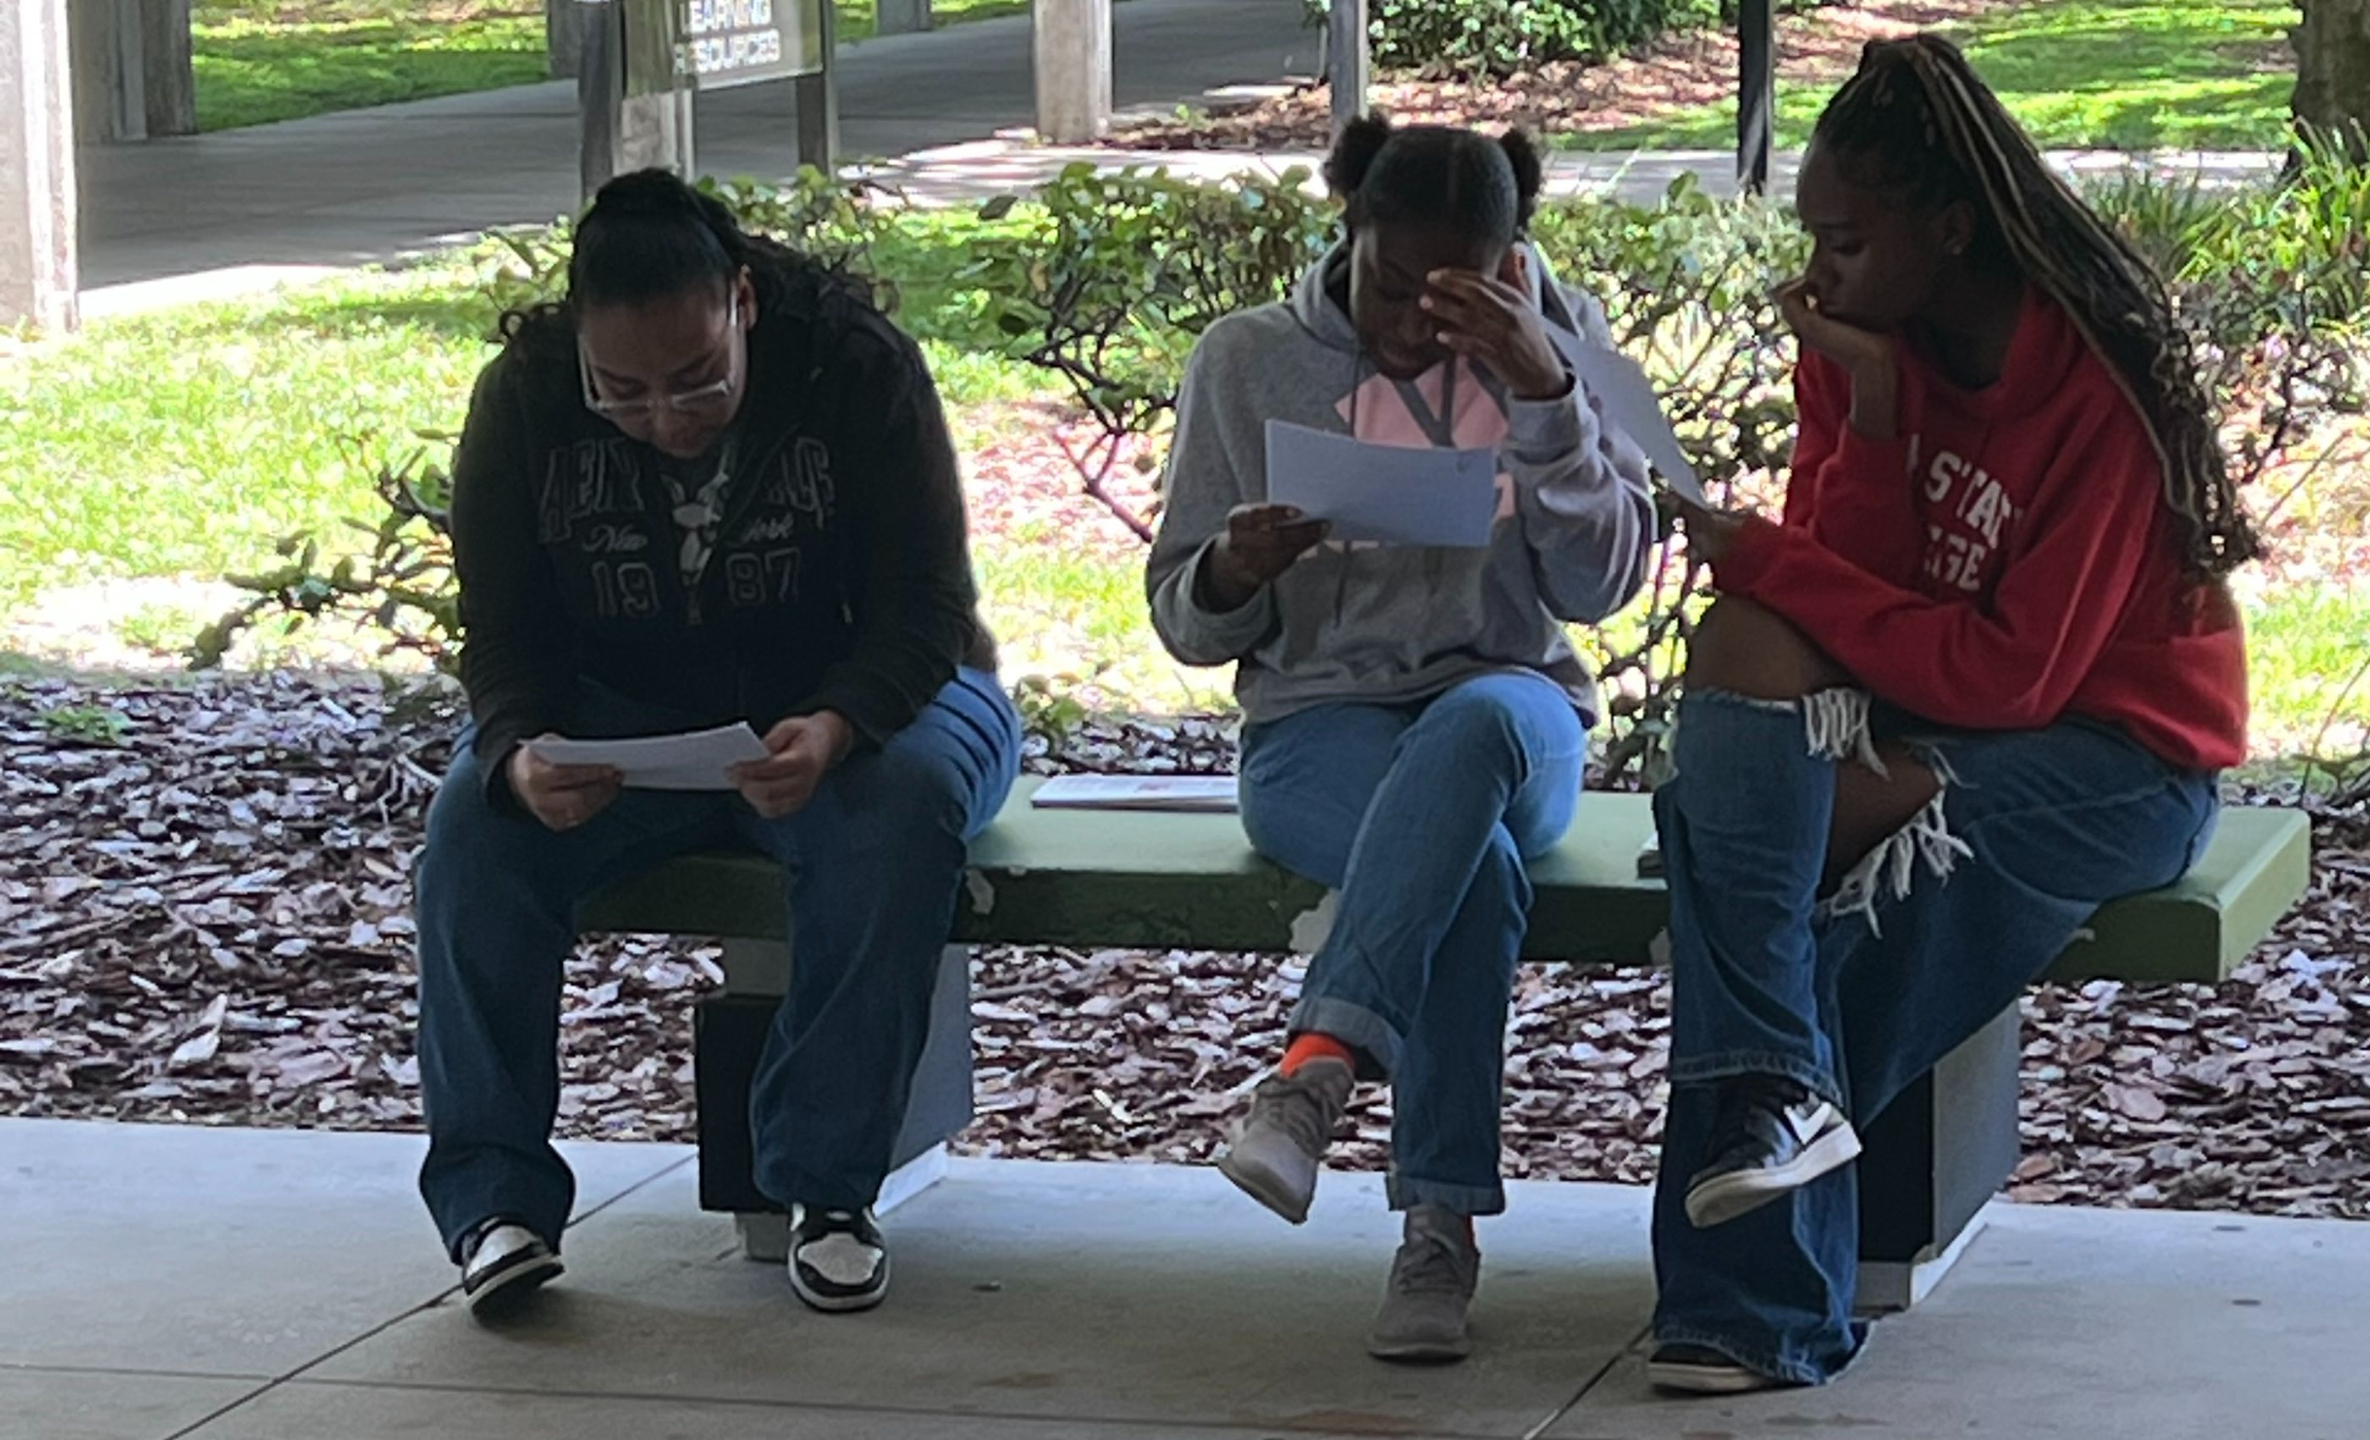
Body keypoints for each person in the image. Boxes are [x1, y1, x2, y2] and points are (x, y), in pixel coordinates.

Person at [1646, 35, 2255, 1393]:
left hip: (2115, 759)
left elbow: (2013, 679)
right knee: (1743, 768)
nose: (1817, 278)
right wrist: (1866, 409)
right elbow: (1848, 603)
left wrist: (1767, 557)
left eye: (1847, 244)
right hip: (1934, 714)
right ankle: (1771, 1169)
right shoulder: (1859, 351)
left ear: (1951, 229)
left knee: (1803, 889)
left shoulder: (2096, 387)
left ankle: (1750, 1315)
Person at [415, 170, 1019, 1319]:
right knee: (474, 830)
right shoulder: (524, 396)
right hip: (627, 720)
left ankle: (827, 1189)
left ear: (742, 301)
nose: (666, 417)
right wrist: (520, 751)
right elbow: (501, 630)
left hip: (877, 702)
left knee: (893, 817)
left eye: (697, 379)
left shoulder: (852, 367)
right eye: (622, 392)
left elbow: (923, 607)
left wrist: (836, 724)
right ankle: (495, 1204)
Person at [1145, 117, 1657, 1363]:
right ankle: (1438, 1228)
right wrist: (1234, 569)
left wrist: (1544, 398)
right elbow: (1182, 620)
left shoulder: (1567, 348)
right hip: (1316, 728)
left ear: (1509, 265)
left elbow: (1599, 590)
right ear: (1347, 231)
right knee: (1467, 869)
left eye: (1452, 300)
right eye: (1390, 289)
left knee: (1475, 726)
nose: (1415, 328)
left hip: (1512, 707)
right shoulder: (1246, 360)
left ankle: (1315, 1069)